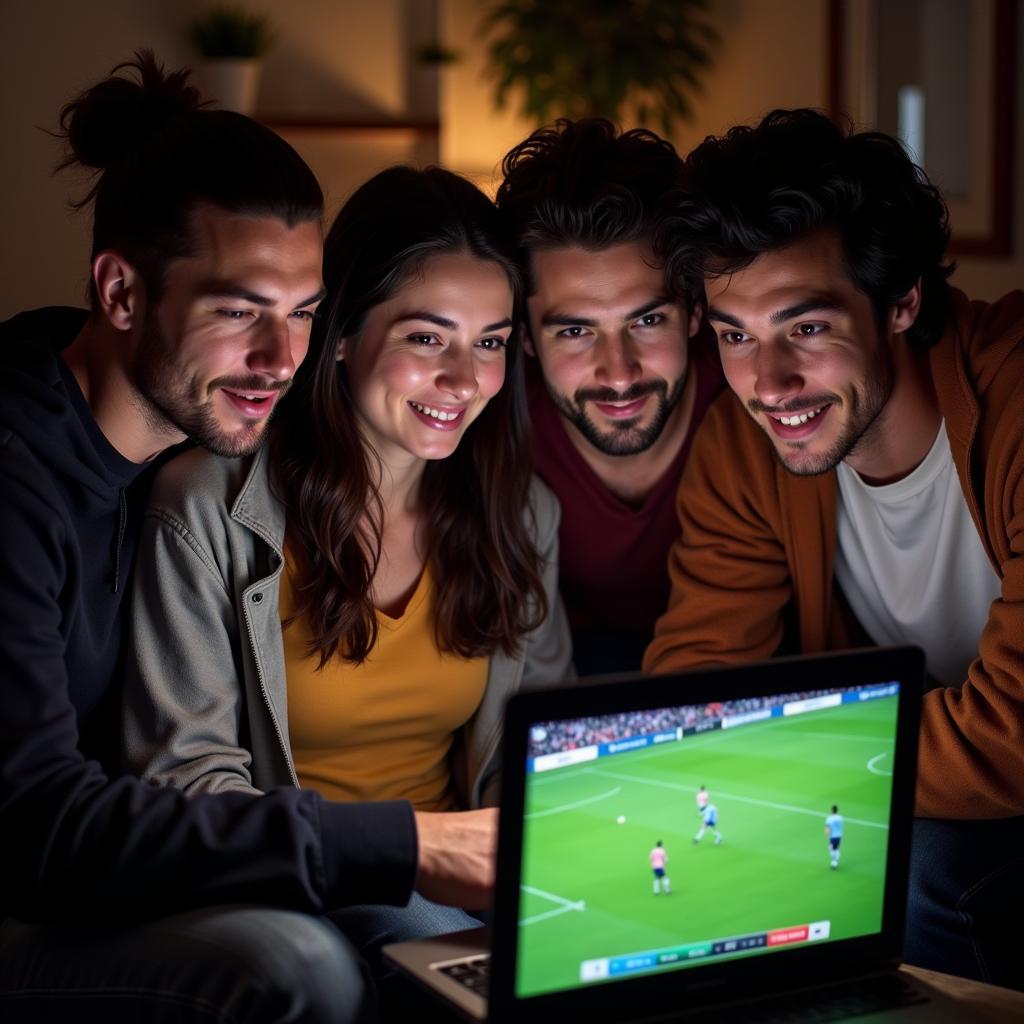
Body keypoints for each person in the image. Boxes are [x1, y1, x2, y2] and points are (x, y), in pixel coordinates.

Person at [0, 53, 490, 1024]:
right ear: (123, 294)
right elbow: (37, 827)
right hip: (26, 902)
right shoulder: (19, 477)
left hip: (138, 885)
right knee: (298, 963)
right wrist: (405, 843)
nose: (280, 360)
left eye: (303, 315)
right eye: (238, 312)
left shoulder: (184, 447)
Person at [122, 165, 573, 983]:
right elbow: (187, 783)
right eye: (426, 337)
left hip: (470, 893)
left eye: (492, 342)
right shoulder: (205, 508)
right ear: (340, 336)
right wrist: (412, 863)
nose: (464, 379)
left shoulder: (522, 514)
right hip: (294, 889)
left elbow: (534, 755)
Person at [645, 108, 1024, 989]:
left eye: (806, 328)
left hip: (964, 808)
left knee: (916, 863)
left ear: (902, 301)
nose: (767, 384)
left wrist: (766, 757)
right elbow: (694, 692)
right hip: (913, 779)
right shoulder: (742, 448)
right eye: (736, 335)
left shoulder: (1013, 399)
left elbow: (1012, 738)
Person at [495, 119, 723, 675]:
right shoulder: (490, 423)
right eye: (574, 331)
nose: (619, 374)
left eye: (647, 320)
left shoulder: (756, 397)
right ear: (524, 335)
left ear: (695, 312)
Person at [825, 805, 843, 870]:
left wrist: (826, 833)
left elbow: (827, 827)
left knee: (830, 849)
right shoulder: (840, 817)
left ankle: (834, 862)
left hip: (833, 836)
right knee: (836, 848)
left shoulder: (829, 818)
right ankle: (836, 860)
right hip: (839, 836)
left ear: (832, 810)